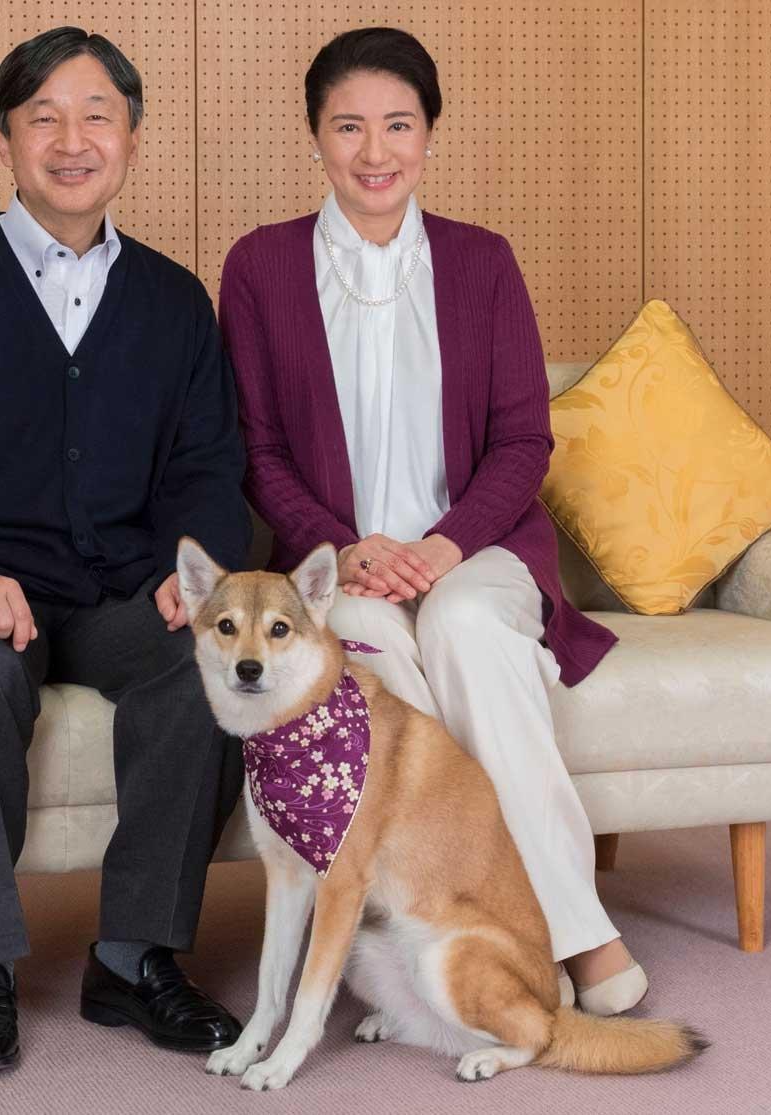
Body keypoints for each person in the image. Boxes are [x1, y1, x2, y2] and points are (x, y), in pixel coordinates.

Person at [0, 26, 248, 1075]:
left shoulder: (172, 301)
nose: (73, 141)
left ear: (132, 139)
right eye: (44, 118)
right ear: (4, 139)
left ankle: (133, 956)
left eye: (97, 116)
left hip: (118, 591)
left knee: (208, 670)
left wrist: (182, 569)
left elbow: (209, 465)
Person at [217, 26, 647, 1016]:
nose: (376, 152)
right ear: (316, 137)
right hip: (339, 570)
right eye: (350, 127)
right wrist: (345, 547)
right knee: (371, 661)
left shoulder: (482, 262)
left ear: (430, 135)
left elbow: (521, 441)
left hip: (477, 550)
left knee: (461, 626)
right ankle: (467, 931)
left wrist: (446, 545)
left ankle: (571, 934)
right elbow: (257, 447)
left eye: (399, 125)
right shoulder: (261, 267)